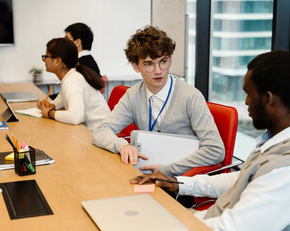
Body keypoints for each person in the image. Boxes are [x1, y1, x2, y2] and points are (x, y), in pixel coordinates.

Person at [132, 50, 290, 231]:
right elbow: (241, 178)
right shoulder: (285, 142)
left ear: (267, 99)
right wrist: (179, 184)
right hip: (208, 222)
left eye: (248, 94)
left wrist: (170, 223)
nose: (245, 102)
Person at [92, 26, 224, 177]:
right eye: (149, 64)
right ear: (136, 66)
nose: (158, 71)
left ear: (170, 60)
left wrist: (167, 170)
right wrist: (122, 146)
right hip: (145, 173)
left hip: (181, 183)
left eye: (163, 61)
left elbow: (215, 150)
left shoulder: (190, 96)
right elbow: (101, 131)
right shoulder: (133, 95)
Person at [37, 38, 110, 130]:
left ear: (57, 61)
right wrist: (51, 105)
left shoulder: (72, 80)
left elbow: (75, 117)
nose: (44, 60)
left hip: (99, 132)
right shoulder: (72, 75)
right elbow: (62, 97)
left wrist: (50, 113)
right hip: (92, 131)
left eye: (46, 56)